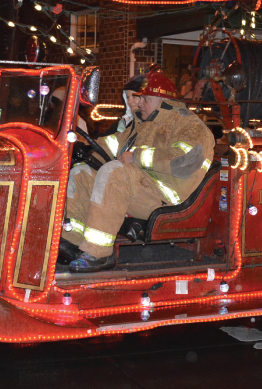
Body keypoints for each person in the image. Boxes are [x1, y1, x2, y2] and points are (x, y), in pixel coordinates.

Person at [60, 72, 215, 272]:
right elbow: (112, 144)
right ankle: (72, 242)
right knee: (81, 173)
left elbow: (183, 161)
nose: (139, 103)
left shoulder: (188, 125)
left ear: (164, 99)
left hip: (167, 194)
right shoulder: (145, 124)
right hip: (142, 187)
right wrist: (84, 150)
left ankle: (99, 253)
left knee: (116, 173)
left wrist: (136, 157)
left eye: (145, 99)